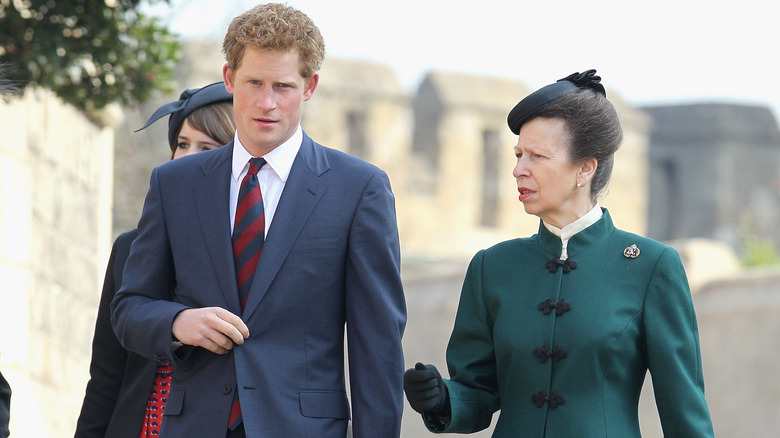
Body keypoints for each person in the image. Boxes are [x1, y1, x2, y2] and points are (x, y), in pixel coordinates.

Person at [111, 3, 406, 438]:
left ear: (310, 87)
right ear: (229, 79)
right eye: (254, 83)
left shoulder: (359, 189)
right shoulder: (175, 183)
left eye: (283, 86)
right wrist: (177, 323)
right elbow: (128, 308)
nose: (267, 103)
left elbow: (377, 349)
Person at [403, 70, 714, 437]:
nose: (519, 170)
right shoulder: (493, 267)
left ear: (585, 168)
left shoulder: (651, 267)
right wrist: (442, 399)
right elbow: (479, 392)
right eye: (519, 154)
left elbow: (685, 413)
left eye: (537, 156)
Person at [74, 82, 235, 438]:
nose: (187, 157)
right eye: (181, 144)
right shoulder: (131, 248)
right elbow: (105, 377)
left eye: (207, 147)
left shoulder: (251, 252)